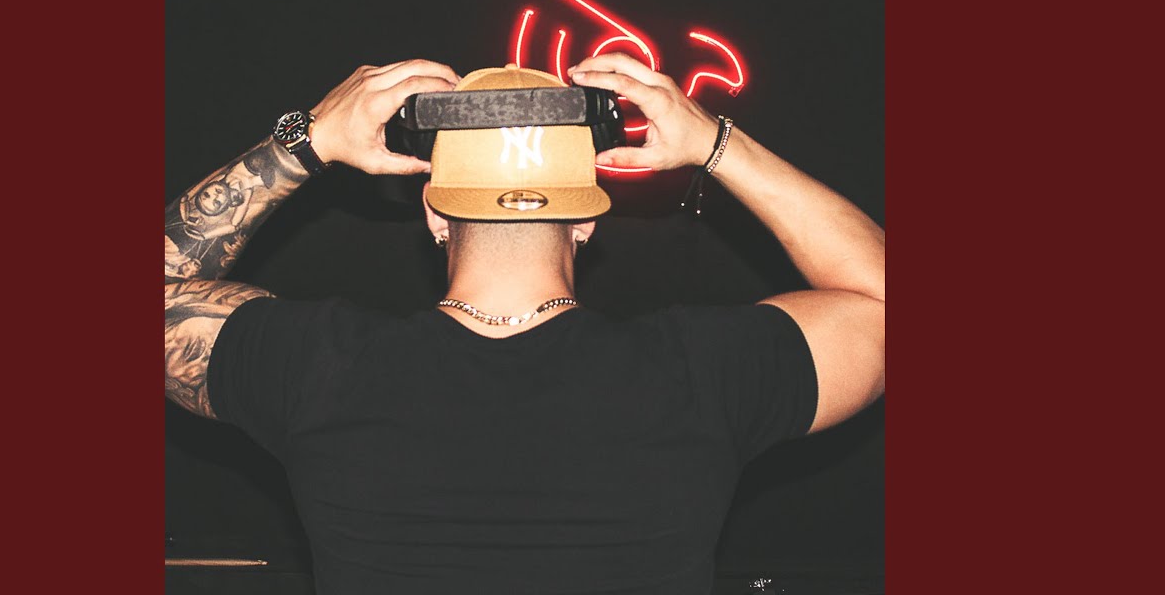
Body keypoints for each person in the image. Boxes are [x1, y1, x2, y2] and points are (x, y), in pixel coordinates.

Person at [164, 55, 885, 594]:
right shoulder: (700, 375)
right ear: (587, 221)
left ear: (434, 213)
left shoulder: (317, 367)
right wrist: (716, 144)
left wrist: (303, 142)